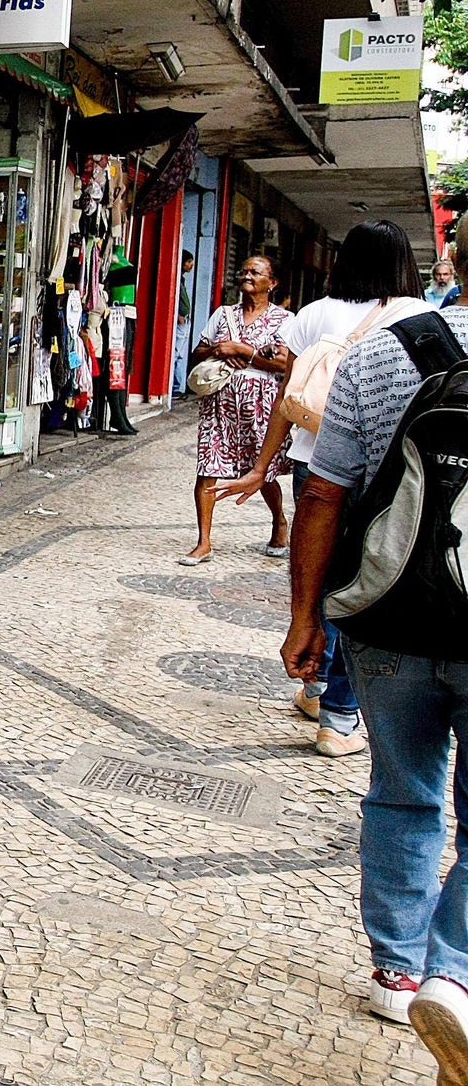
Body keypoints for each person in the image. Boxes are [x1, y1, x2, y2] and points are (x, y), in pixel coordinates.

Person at [280, 296, 468, 1034]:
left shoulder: (385, 351)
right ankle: (453, 971)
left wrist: (306, 619)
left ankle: (397, 969)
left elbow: (324, 493)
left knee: (401, 791)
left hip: (389, 615)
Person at [213, 220, 426, 756]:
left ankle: (314, 685)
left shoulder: (312, 315)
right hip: (385, 475)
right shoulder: (419, 318)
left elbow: (289, 395)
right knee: (364, 582)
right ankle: (340, 715)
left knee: (320, 580)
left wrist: (263, 465)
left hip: (316, 466)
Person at [177, 255, 290, 566]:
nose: (246, 276)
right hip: (219, 403)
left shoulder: (285, 321)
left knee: (262, 471)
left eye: (255, 272)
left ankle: (279, 522)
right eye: (243, 271)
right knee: (208, 468)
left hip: (261, 405)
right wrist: (218, 349)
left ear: (273, 282)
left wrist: (244, 351)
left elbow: (284, 364)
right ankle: (204, 542)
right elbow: (197, 352)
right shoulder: (224, 315)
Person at [172, 250, 197, 400]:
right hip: (181, 320)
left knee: (179, 355)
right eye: (188, 262)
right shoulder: (177, 279)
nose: (191, 265)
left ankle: (176, 386)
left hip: (184, 320)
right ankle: (174, 387)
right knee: (176, 353)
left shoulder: (181, 279)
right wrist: (179, 315)